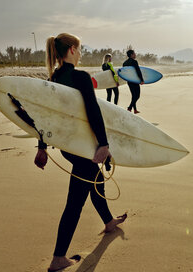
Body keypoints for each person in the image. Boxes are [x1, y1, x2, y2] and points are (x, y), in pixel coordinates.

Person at [34, 33, 127, 272]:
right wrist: (104, 144)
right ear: (73, 49)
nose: (82, 53)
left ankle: (108, 221)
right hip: (83, 146)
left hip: (68, 147)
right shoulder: (80, 77)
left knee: (95, 180)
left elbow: (46, 116)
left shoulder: (54, 78)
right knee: (75, 202)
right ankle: (58, 257)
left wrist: (42, 147)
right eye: (81, 49)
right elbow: (93, 112)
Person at [123, 49, 144, 113]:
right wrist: (141, 80)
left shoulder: (125, 63)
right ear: (131, 55)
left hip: (129, 81)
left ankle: (134, 109)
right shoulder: (134, 62)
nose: (135, 54)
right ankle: (129, 108)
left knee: (133, 95)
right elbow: (138, 71)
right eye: (134, 53)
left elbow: (124, 73)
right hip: (135, 80)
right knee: (137, 96)